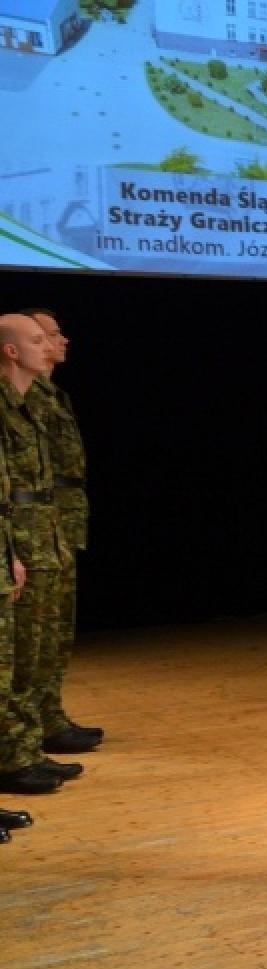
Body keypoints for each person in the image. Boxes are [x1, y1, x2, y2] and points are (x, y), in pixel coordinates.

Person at [0, 313, 77, 797]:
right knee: (15, 656)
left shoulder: (34, 401)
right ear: (10, 350)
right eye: (36, 339)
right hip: (20, 536)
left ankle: (23, 749)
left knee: (34, 649)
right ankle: (15, 754)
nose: (49, 346)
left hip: (40, 533)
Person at [25, 309, 100, 755]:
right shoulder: (22, 397)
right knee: (36, 630)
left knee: (56, 628)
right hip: (36, 524)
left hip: (58, 521)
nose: (61, 341)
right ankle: (29, 728)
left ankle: (47, 716)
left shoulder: (52, 394)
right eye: (49, 335)